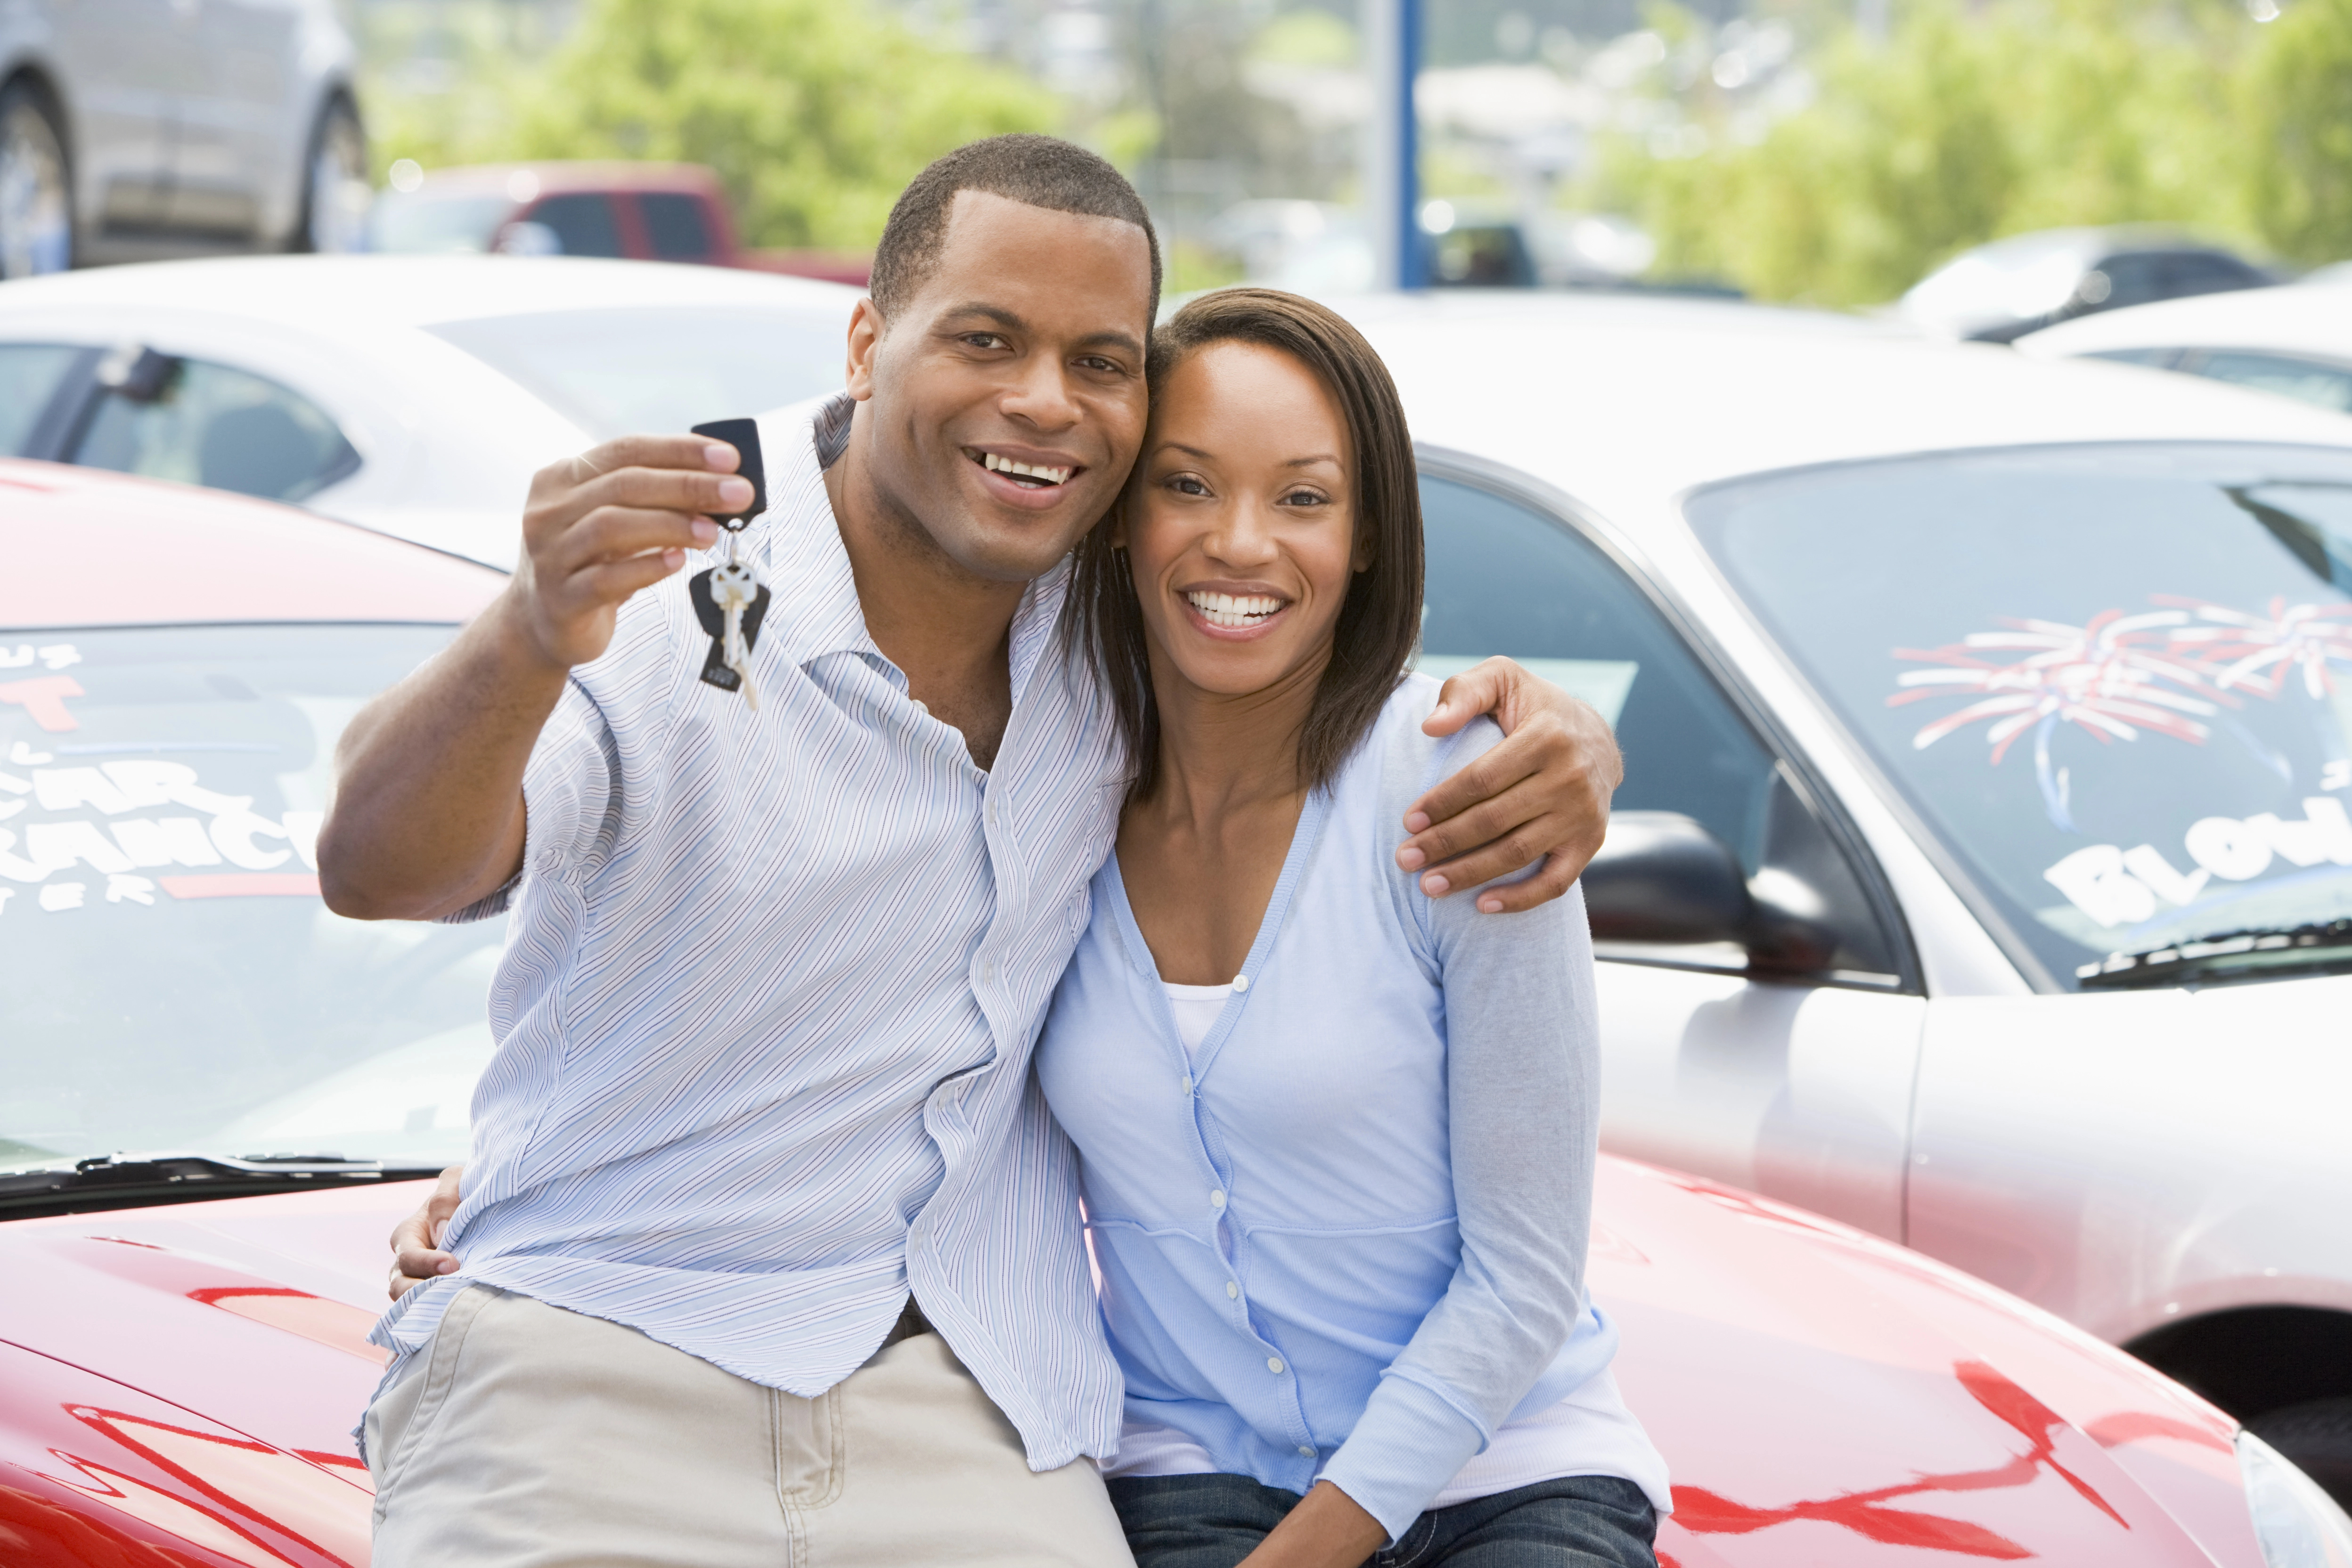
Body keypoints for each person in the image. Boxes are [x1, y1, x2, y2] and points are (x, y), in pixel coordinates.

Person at [328, 135, 1624, 1567]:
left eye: (1100, 361)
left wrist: (1563, 733)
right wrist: (523, 632)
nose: (1042, 404)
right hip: (597, 1358)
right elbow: (378, 870)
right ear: (869, 340)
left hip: (968, 1399)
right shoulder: (674, 571)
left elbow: (1293, 609)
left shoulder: (1113, 614)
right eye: (987, 340)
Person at [1037, 289, 1668, 1568]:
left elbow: (1525, 1279)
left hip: (1509, 1470)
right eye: (1188, 486)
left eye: (1304, 498)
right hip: (1193, 1471)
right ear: (1118, 516)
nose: (1240, 544)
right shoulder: (1041, 792)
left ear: (1369, 534)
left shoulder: (1460, 786)